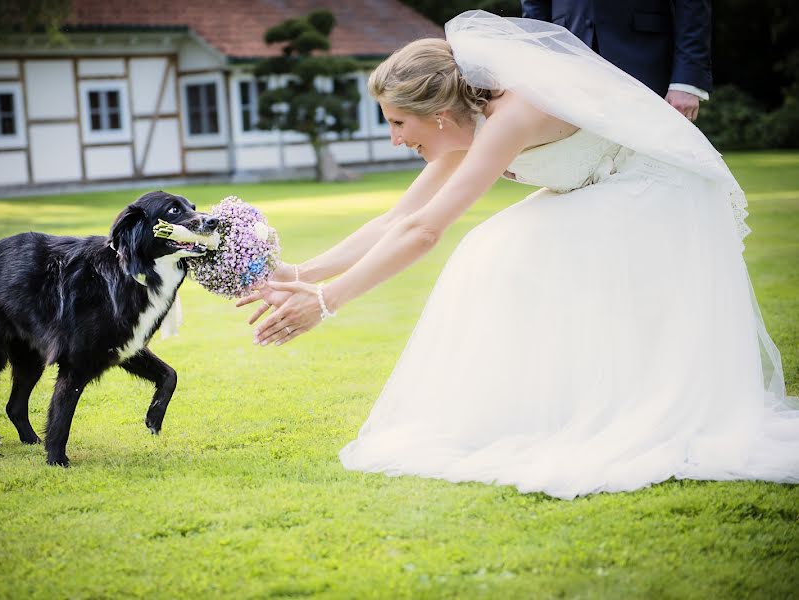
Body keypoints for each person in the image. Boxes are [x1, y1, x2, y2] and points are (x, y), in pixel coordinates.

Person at [236, 11, 799, 499]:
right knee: (500, 249)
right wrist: (299, 273)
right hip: (599, 190)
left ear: (435, 113)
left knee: (495, 246)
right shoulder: (464, 123)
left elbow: (426, 232)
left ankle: (597, 416)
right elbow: (397, 219)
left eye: (396, 123)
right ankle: (551, 411)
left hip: (658, 190)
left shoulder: (510, 116)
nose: (394, 140)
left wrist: (327, 302)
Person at [520, 0, 711, 121]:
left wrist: (686, 80)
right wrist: (537, 73)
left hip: (645, 63)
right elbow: (534, 6)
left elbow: (693, 7)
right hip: (566, 66)